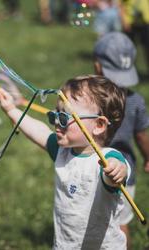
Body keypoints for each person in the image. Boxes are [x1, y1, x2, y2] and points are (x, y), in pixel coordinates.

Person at [0, 75, 131, 249]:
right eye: (55, 115)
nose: (56, 122)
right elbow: (39, 131)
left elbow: (116, 173)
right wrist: (11, 110)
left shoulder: (106, 159)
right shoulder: (64, 152)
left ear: (98, 125)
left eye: (64, 117)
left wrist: (117, 171)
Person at [94, 31, 149, 250]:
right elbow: (142, 135)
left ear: (98, 66)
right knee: (120, 223)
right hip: (126, 175)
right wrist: (147, 158)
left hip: (94, 171)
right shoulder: (136, 101)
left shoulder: (90, 102)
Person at [119, 0, 149, 75]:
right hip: (130, 23)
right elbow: (120, 5)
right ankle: (128, 73)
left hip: (146, 22)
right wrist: (124, 21)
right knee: (128, 50)